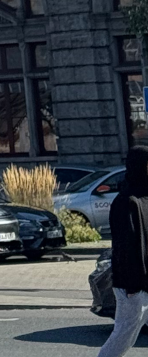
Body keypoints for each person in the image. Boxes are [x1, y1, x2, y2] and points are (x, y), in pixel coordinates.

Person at [97, 146, 148, 357]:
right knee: (124, 334)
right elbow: (123, 247)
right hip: (133, 285)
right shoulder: (125, 202)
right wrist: (131, 284)